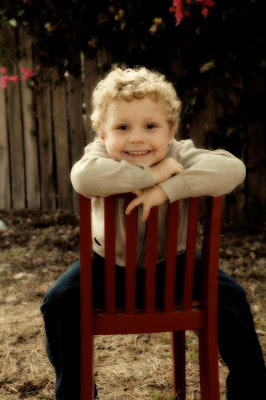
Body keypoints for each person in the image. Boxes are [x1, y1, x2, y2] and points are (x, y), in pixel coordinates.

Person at [41, 67, 265, 400]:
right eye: (122, 127)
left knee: (231, 298)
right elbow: (83, 179)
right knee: (58, 302)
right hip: (107, 269)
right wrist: (152, 174)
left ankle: (252, 392)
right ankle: (75, 392)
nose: (137, 138)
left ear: (170, 131)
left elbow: (232, 168)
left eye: (150, 126)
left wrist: (170, 188)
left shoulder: (179, 152)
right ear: (102, 135)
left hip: (176, 266)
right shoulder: (97, 157)